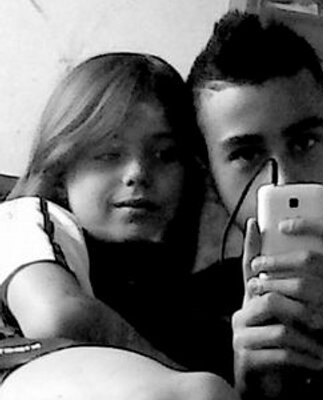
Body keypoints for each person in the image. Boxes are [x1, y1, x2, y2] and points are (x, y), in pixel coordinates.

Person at [186, 10, 323, 400]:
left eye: (304, 143)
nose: (283, 180)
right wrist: (247, 392)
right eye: (247, 154)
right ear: (210, 178)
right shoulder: (190, 315)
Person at [0, 52, 238, 400]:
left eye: (165, 155)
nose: (138, 174)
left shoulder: (171, 298)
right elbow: (58, 317)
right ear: (61, 170)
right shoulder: (25, 219)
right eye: (109, 154)